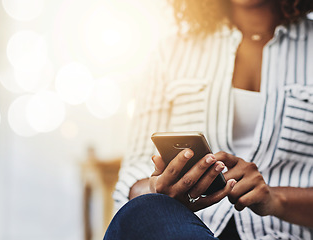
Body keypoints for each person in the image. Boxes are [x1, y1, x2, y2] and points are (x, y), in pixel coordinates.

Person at [105, 0, 313, 239]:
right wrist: (158, 188)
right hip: (185, 231)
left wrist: (276, 199)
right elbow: (132, 178)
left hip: (285, 234)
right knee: (143, 210)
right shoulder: (171, 52)